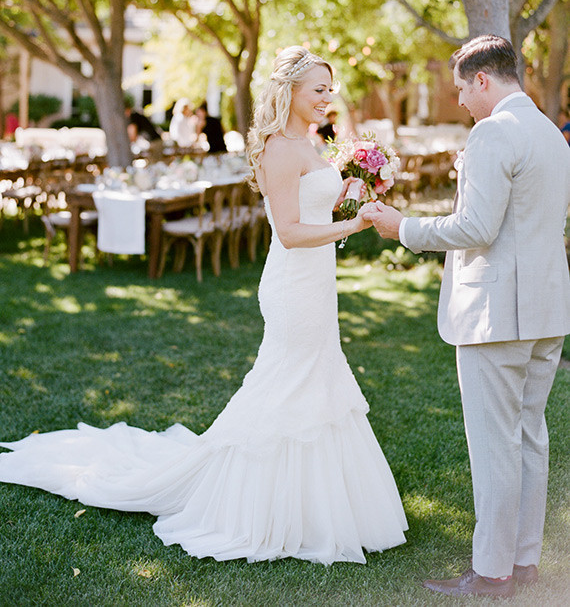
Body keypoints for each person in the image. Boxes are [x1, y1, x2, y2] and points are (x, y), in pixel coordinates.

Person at [0, 46, 408, 564]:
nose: (328, 97)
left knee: (316, 379)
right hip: (294, 286)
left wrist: (346, 189)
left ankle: (312, 507)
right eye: (319, 89)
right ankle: (260, 504)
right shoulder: (281, 150)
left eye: (331, 89)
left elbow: (311, 206)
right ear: (290, 92)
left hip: (316, 283)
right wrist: (354, 223)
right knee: (290, 383)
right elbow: (289, 232)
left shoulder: (305, 143)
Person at [363, 35, 570, 598]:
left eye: (461, 88)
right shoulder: (550, 132)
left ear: (483, 79)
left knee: (495, 444)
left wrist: (403, 228)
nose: (458, 101)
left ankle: (492, 572)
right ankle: (523, 561)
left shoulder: (493, 133)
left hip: (496, 313)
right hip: (547, 309)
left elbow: (477, 227)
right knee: (530, 436)